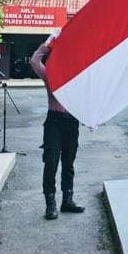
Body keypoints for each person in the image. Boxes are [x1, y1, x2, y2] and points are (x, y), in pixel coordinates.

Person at [30, 32, 85, 220]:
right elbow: (34, 62)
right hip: (54, 122)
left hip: (72, 122)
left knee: (69, 163)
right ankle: (50, 204)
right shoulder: (50, 75)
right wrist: (47, 43)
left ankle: (67, 200)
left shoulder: (77, 77)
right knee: (51, 162)